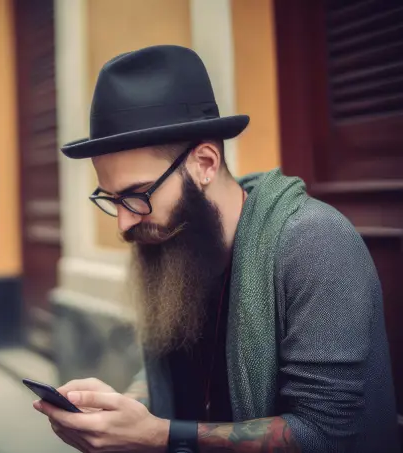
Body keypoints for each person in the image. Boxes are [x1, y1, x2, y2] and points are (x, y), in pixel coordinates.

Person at [32, 45, 399, 452]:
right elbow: (167, 362)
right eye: (112, 199)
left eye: (137, 195)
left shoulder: (315, 243)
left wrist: (156, 435)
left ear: (205, 163)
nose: (124, 222)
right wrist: (123, 411)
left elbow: (328, 433)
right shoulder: (176, 239)